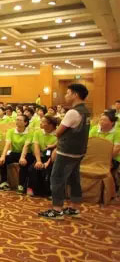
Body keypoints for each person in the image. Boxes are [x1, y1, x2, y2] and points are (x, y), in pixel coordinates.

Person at [38, 83, 90, 219]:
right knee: (74, 179)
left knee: (57, 179)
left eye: (68, 93)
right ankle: (74, 208)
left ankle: (57, 210)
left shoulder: (73, 112)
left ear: (75, 95)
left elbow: (58, 132)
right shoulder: (86, 111)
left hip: (67, 151)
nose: (66, 95)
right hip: (79, 151)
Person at [0, 114, 33, 193]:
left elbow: (26, 146)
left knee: (23, 163)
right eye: (17, 119)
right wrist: (2, 156)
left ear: (25, 123)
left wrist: (22, 157)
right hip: (14, 152)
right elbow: (7, 144)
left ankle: (21, 185)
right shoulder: (11, 131)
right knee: (3, 161)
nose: (17, 121)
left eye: (20, 120)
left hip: (26, 154)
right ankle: (4, 182)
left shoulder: (30, 133)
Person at [30, 115, 58, 197]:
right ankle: (36, 191)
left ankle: (50, 192)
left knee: (49, 169)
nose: (40, 123)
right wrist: (38, 161)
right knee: (33, 167)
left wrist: (48, 162)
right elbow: (36, 147)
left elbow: (56, 150)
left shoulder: (58, 134)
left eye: (43, 122)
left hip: (54, 157)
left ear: (50, 125)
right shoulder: (38, 132)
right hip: (41, 155)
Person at [88, 110, 119, 179]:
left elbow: (116, 150)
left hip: (112, 158)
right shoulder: (95, 129)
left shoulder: (117, 133)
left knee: (105, 173)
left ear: (112, 122)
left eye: (104, 120)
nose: (101, 122)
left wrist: (103, 158)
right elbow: (89, 143)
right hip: (95, 157)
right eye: (101, 119)